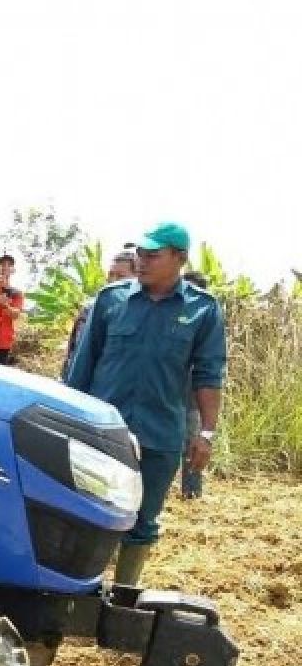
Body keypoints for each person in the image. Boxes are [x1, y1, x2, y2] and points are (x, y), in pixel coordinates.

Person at [66, 222, 226, 585]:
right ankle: (74, 599)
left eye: (153, 255)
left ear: (179, 258)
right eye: (140, 253)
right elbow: (83, 367)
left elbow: (208, 374)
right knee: (82, 513)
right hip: (102, 433)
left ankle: (122, 601)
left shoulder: (202, 310)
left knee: (142, 522)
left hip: (159, 436)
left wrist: (207, 432)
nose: (142, 261)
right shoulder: (112, 300)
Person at [62, 249, 136, 378]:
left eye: (120, 276)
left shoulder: (144, 313)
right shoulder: (91, 308)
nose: (113, 280)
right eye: (111, 275)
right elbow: (76, 352)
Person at [180, 269, 211, 499]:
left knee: (192, 443)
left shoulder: (207, 320)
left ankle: (191, 493)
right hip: (167, 395)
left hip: (191, 397)